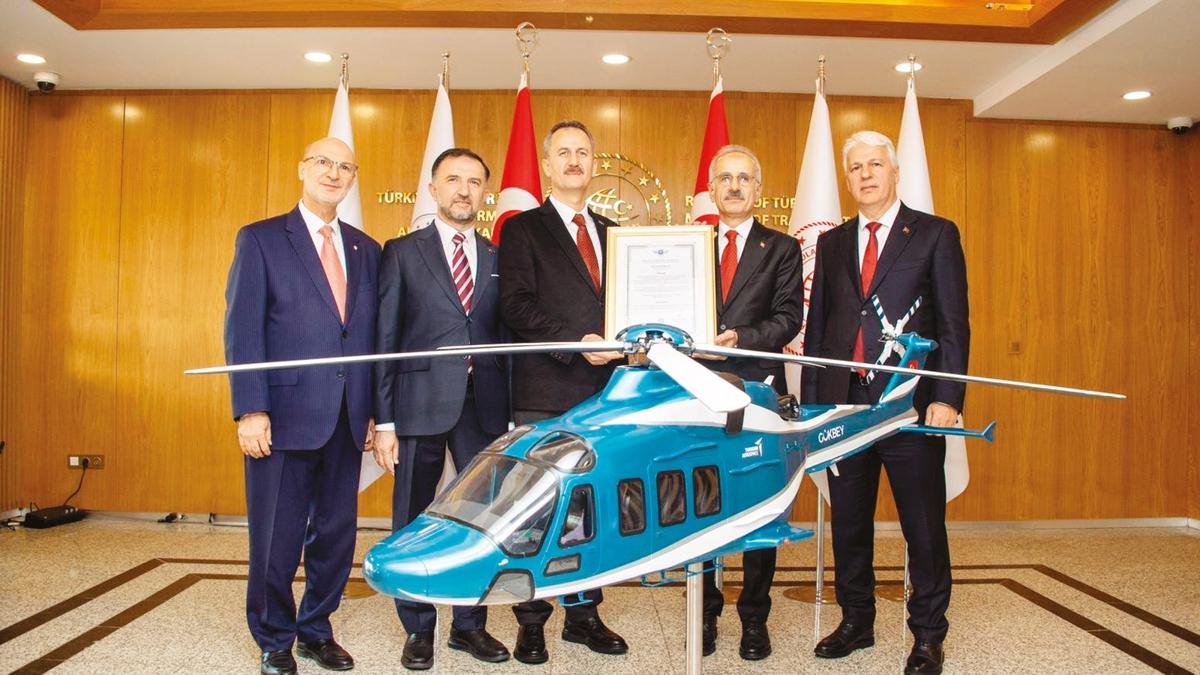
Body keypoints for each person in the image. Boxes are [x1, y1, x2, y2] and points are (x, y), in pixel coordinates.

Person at [802, 130, 969, 675]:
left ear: (895, 172)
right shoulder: (832, 243)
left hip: (910, 407)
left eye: (875, 164)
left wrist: (948, 396)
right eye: (856, 167)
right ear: (847, 178)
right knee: (849, 524)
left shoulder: (935, 234)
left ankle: (928, 635)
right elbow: (819, 329)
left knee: (923, 527)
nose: (866, 174)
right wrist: (814, 406)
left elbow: (953, 323)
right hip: (846, 407)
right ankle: (857, 621)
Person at [224, 137, 381, 675]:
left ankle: (316, 629)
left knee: (335, 536)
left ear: (353, 178)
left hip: (346, 418)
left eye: (344, 167)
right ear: (302, 168)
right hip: (281, 417)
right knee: (276, 537)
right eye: (323, 163)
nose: (333, 173)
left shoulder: (366, 249)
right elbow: (243, 329)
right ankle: (274, 639)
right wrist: (251, 409)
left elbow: (370, 338)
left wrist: (371, 411)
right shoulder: (262, 239)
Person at [372, 148, 511, 671]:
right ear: (432, 189)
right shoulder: (402, 252)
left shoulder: (497, 257)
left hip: (485, 408)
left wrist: (512, 414)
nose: (464, 190)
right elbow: (386, 340)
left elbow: (506, 338)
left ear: (484, 192)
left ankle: (469, 626)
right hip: (418, 404)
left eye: (474, 181)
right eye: (453, 179)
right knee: (412, 518)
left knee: (482, 519)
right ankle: (418, 627)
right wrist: (385, 420)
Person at [497, 120, 628, 664]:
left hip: (607, 392)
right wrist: (577, 344)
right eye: (564, 152)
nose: (574, 160)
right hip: (546, 389)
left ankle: (584, 616)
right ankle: (531, 622)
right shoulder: (522, 229)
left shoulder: (615, 232)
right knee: (535, 511)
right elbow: (515, 305)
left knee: (592, 506)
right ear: (548, 165)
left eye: (583, 151)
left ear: (593, 163)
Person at [696, 144, 804, 661]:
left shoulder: (782, 248)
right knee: (700, 504)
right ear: (711, 188)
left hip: (758, 392)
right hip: (696, 393)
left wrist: (740, 338)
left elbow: (788, 318)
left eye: (744, 178)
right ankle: (705, 613)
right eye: (725, 178)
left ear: (758, 189)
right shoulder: (690, 243)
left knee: (761, 506)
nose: (734, 186)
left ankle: (755, 619)